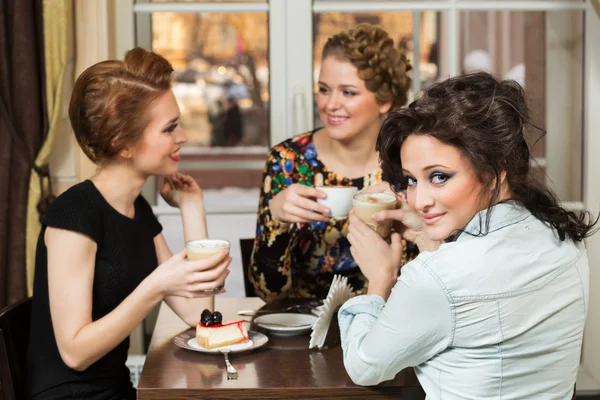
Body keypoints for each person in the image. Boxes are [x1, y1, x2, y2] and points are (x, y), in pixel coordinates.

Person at [341, 72, 597, 399]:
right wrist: (427, 238)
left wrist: (380, 278)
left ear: (494, 169)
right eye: (411, 180)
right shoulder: (564, 238)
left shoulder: (435, 280)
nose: (418, 201)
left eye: (438, 176)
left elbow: (365, 366)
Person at [25, 48, 231, 400]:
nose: (181, 137)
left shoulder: (136, 209)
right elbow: (74, 353)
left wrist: (192, 208)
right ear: (123, 144)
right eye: (169, 128)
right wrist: (155, 286)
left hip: (118, 391)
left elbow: (201, 317)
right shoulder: (75, 214)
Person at [248, 23, 417, 301]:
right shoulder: (288, 160)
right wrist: (275, 218)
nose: (330, 104)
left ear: (384, 101)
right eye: (324, 89)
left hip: (393, 324)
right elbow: (268, 292)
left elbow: (440, 275)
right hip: (303, 328)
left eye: (348, 92)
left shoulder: (410, 164)